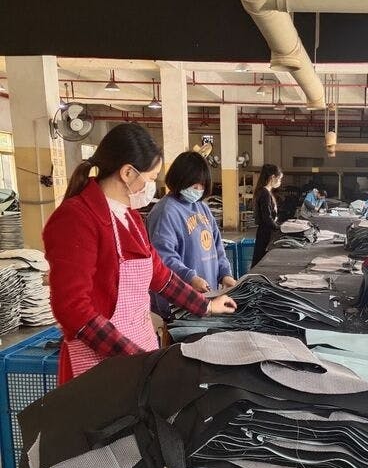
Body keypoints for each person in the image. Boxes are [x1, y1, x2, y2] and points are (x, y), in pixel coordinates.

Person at [43, 123, 236, 384]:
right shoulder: (77, 218)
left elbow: (160, 275)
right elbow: (73, 309)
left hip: (138, 349)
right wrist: (134, 357)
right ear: (127, 173)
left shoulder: (130, 217)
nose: (152, 186)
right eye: (151, 178)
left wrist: (206, 305)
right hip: (99, 365)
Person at [146, 151, 236, 318]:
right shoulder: (165, 212)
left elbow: (217, 246)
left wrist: (225, 274)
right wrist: (190, 277)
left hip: (206, 298)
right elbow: (163, 258)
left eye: (202, 186)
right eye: (195, 186)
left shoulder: (202, 208)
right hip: (178, 303)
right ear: (181, 180)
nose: (199, 190)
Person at [252, 163, 283, 266]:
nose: (280, 182)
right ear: (273, 177)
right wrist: (279, 228)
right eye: (279, 179)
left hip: (266, 231)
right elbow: (267, 218)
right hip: (265, 233)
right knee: (260, 261)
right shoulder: (264, 193)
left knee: (260, 258)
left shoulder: (266, 192)